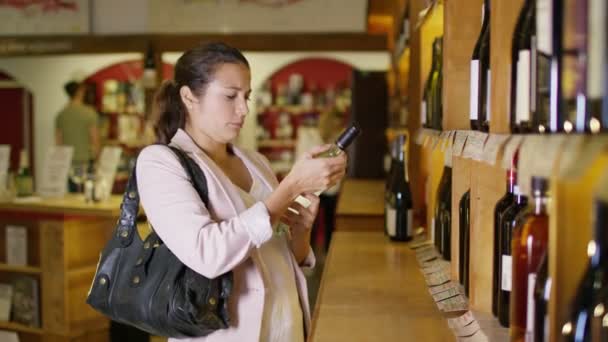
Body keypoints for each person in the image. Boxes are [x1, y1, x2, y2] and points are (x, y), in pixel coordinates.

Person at [136, 42, 347, 341]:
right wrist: (290, 187)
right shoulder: (160, 162)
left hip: (286, 327)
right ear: (188, 97)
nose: (244, 109)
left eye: (246, 96)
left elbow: (281, 255)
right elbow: (206, 254)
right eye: (230, 96)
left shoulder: (255, 161)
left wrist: (300, 232)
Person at [55, 80, 100, 191]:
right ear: (80, 92)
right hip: (86, 162)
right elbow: (95, 140)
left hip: (68, 162)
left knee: (74, 193)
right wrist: (97, 160)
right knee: (88, 193)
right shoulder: (89, 113)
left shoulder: (61, 115)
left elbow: (58, 142)